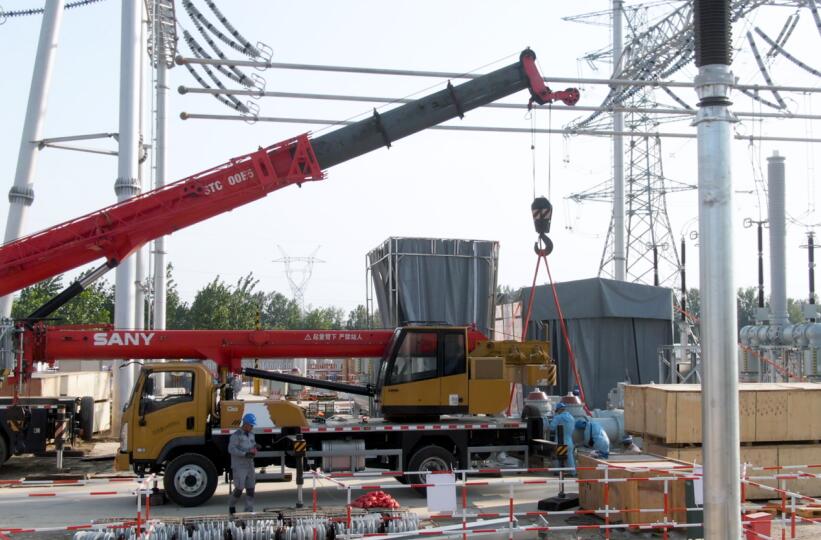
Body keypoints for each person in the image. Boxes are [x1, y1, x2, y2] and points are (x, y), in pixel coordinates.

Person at [228, 413, 258, 515]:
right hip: (239, 465)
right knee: (239, 488)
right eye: (251, 425)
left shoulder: (251, 434)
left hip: (249, 464)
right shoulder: (236, 436)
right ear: (245, 424)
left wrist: (255, 448)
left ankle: (249, 510)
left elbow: (252, 445)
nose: (252, 427)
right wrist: (245, 454)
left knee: (251, 488)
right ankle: (231, 505)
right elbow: (231, 449)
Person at [549, 402, 577, 470]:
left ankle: (558, 472)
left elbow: (551, 427)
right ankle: (573, 473)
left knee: (558, 457)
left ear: (559, 410)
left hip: (560, 441)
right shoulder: (571, 417)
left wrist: (549, 421)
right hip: (569, 441)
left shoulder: (558, 417)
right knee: (570, 457)